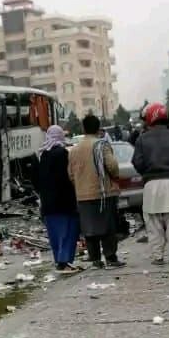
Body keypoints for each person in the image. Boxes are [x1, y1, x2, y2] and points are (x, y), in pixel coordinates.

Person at [132, 102, 169, 265]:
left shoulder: (142, 139)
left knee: (153, 223)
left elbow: (137, 161)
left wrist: (147, 173)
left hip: (151, 184)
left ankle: (157, 255)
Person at [68, 114, 124, 269]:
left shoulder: (74, 150)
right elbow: (112, 166)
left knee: (89, 228)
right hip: (103, 193)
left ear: (83, 128)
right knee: (108, 227)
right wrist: (114, 177)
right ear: (98, 128)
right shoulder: (102, 145)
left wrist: (80, 185)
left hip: (83, 195)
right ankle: (111, 257)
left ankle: (95, 259)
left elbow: (71, 174)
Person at [35, 125, 82, 274]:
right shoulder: (62, 153)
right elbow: (66, 178)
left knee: (55, 235)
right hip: (63, 202)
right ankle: (64, 262)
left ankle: (60, 262)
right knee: (68, 232)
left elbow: (38, 180)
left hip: (48, 204)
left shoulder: (43, 155)